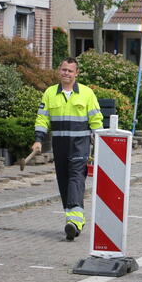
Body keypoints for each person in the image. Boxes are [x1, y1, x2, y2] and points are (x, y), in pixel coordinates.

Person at [32, 57, 103, 241]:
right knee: (63, 181)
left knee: (75, 179)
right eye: (64, 70)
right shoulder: (49, 93)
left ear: (76, 73)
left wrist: (98, 140)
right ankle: (74, 222)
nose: (66, 73)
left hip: (80, 144)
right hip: (60, 146)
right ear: (59, 71)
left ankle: (74, 221)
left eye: (70, 71)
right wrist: (38, 140)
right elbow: (42, 119)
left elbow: (96, 120)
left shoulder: (87, 94)